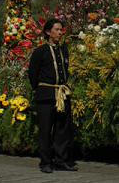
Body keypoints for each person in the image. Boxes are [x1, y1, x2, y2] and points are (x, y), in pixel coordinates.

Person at [28, 18, 77, 173]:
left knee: (63, 128)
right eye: (56, 29)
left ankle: (61, 160)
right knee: (45, 129)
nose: (60, 32)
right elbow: (32, 75)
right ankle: (45, 162)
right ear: (48, 32)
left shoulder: (64, 50)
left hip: (62, 94)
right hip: (46, 96)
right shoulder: (39, 52)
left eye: (61, 29)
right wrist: (41, 89)